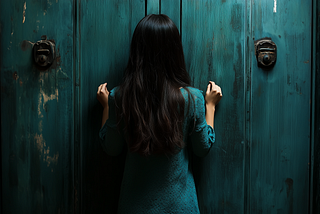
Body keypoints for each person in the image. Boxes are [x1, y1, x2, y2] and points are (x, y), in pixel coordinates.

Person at [97, 14, 222, 214]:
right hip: (181, 208)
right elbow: (202, 148)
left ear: (137, 50)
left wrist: (106, 107)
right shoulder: (194, 99)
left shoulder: (119, 97)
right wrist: (211, 106)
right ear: (174, 51)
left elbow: (111, 148)